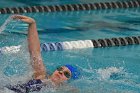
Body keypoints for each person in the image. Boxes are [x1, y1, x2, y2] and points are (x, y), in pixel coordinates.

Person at [5, 15, 80, 93]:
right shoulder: (41, 75)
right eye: (60, 68)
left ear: (68, 81)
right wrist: (32, 24)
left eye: (66, 74)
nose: (60, 72)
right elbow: (35, 52)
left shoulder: (64, 90)